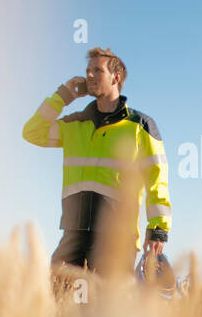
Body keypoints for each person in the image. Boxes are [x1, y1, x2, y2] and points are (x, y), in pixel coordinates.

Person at [22, 47, 171, 285]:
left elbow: (157, 179)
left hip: (117, 238)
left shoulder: (140, 126)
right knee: (57, 306)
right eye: (88, 71)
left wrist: (158, 229)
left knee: (106, 312)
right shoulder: (75, 124)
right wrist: (63, 95)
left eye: (97, 71)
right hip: (73, 235)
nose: (89, 76)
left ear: (116, 77)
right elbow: (32, 132)